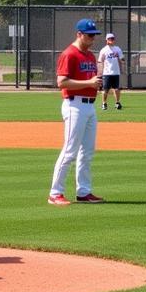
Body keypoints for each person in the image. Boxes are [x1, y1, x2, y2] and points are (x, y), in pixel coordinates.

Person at [48, 18, 104, 206]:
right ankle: (55, 193)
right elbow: (61, 82)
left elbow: (88, 79)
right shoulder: (69, 54)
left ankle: (84, 191)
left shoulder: (89, 55)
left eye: (94, 35)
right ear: (79, 34)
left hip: (89, 106)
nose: (92, 39)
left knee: (87, 151)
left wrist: (95, 83)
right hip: (74, 106)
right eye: (90, 35)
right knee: (70, 150)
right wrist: (89, 83)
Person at [98, 32, 124, 110]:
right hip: (107, 73)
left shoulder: (117, 49)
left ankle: (117, 103)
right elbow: (100, 61)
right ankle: (104, 103)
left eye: (112, 39)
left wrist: (121, 59)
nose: (111, 40)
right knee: (105, 89)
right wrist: (100, 71)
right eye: (109, 39)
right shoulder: (104, 50)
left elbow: (122, 59)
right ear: (106, 40)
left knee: (116, 89)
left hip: (116, 72)